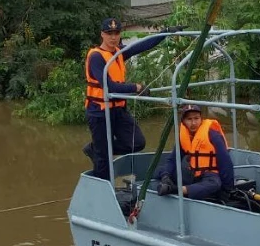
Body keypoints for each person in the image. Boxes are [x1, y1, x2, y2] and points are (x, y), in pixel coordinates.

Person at [84, 17, 180, 180]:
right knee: (104, 162)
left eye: (116, 33)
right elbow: (111, 87)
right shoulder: (96, 57)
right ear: (102, 34)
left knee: (137, 142)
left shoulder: (118, 52)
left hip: (118, 109)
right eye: (109, 33)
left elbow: (142, 46)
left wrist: (165, 33)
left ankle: (96, 148)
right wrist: (137, 88)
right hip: (99, 112)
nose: (113, 37)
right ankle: (104, 193)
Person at [155, 104, 235, 202]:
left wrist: (227, 189)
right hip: (191, 175)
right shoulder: (184, 137)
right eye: (189, 119)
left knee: (215, 184)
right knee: (160, 171)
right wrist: (165, 176)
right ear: (183, 121)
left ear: (201, 119)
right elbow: (172, 159)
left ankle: (176, 190)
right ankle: (169, 185)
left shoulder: (213, 135)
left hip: (209, 175)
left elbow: (225, 163)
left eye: (196, 118)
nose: (193, 123)